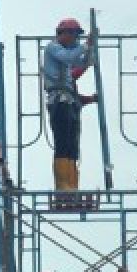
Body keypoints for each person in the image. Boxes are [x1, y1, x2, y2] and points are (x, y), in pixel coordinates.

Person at [43, 17, 97, 208]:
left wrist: (90, 51)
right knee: (63, 143)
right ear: (64, 34)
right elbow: (70, 58)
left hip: (69, 101)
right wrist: (85, 46)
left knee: (72, 146)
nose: (75, 40)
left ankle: (72, 187)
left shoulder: (65, 57)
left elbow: (81, 64)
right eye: (74, 36)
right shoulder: (53, 48)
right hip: (59, 101)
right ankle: (63, 188)